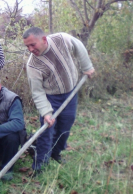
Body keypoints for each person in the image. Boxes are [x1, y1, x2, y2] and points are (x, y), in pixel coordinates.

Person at [23, 27, 95, 175]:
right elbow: (37, 92)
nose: (30, 49)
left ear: (43, 39)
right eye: (27, 46)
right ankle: (40, 165)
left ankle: (56, 153)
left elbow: (78, 46)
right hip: (51, 98)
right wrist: (46, 112)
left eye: (32, 45)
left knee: (65, 126)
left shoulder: (61, 39)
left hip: (71, 93)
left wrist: (87, 66)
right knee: (46, 131)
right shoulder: (33, 65)